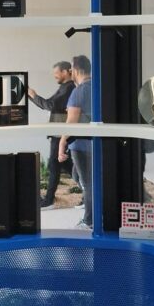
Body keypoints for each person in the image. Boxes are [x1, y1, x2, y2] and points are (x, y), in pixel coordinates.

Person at [28, 61, 75, 208]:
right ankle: (88, 190)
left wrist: (33, 95)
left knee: (54, 165)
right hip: (58, 133)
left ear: (66, 71)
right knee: (65, 165)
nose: (54, 75)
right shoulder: (64, 87)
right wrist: (31, 96)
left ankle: (49, 200)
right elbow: (48, 104)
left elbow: (50, 105)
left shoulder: (69, 88)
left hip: (61, 134)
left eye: (56, 72)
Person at [57, 55, 93, 229]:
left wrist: (61, 144)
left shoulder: (78, 92)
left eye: (71, 68)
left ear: (77, 70)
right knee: (77, 175)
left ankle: (89, 220)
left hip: (80, 145)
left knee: (87, 183)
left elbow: (71, 122)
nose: (70, 71)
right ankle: (91, 204)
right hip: (92, 144)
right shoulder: (97, 87)